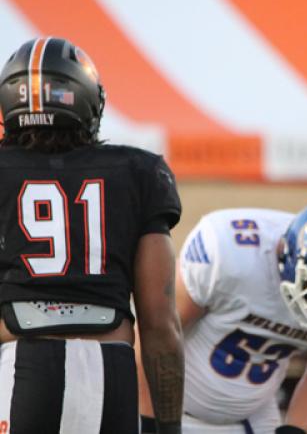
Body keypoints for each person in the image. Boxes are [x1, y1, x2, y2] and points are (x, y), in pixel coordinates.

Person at [0, 37, 184, 434]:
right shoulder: (138, 170)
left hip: (21, 367)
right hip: (110, 369)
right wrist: (168, 427)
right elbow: (160, 323)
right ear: (83, 99)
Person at [137, 193, 307, 433]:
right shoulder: (228, 254)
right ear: (291, 259)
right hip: (172, 415)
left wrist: (294, 430)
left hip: (255, 418)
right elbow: (153, 337)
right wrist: (149, 424)